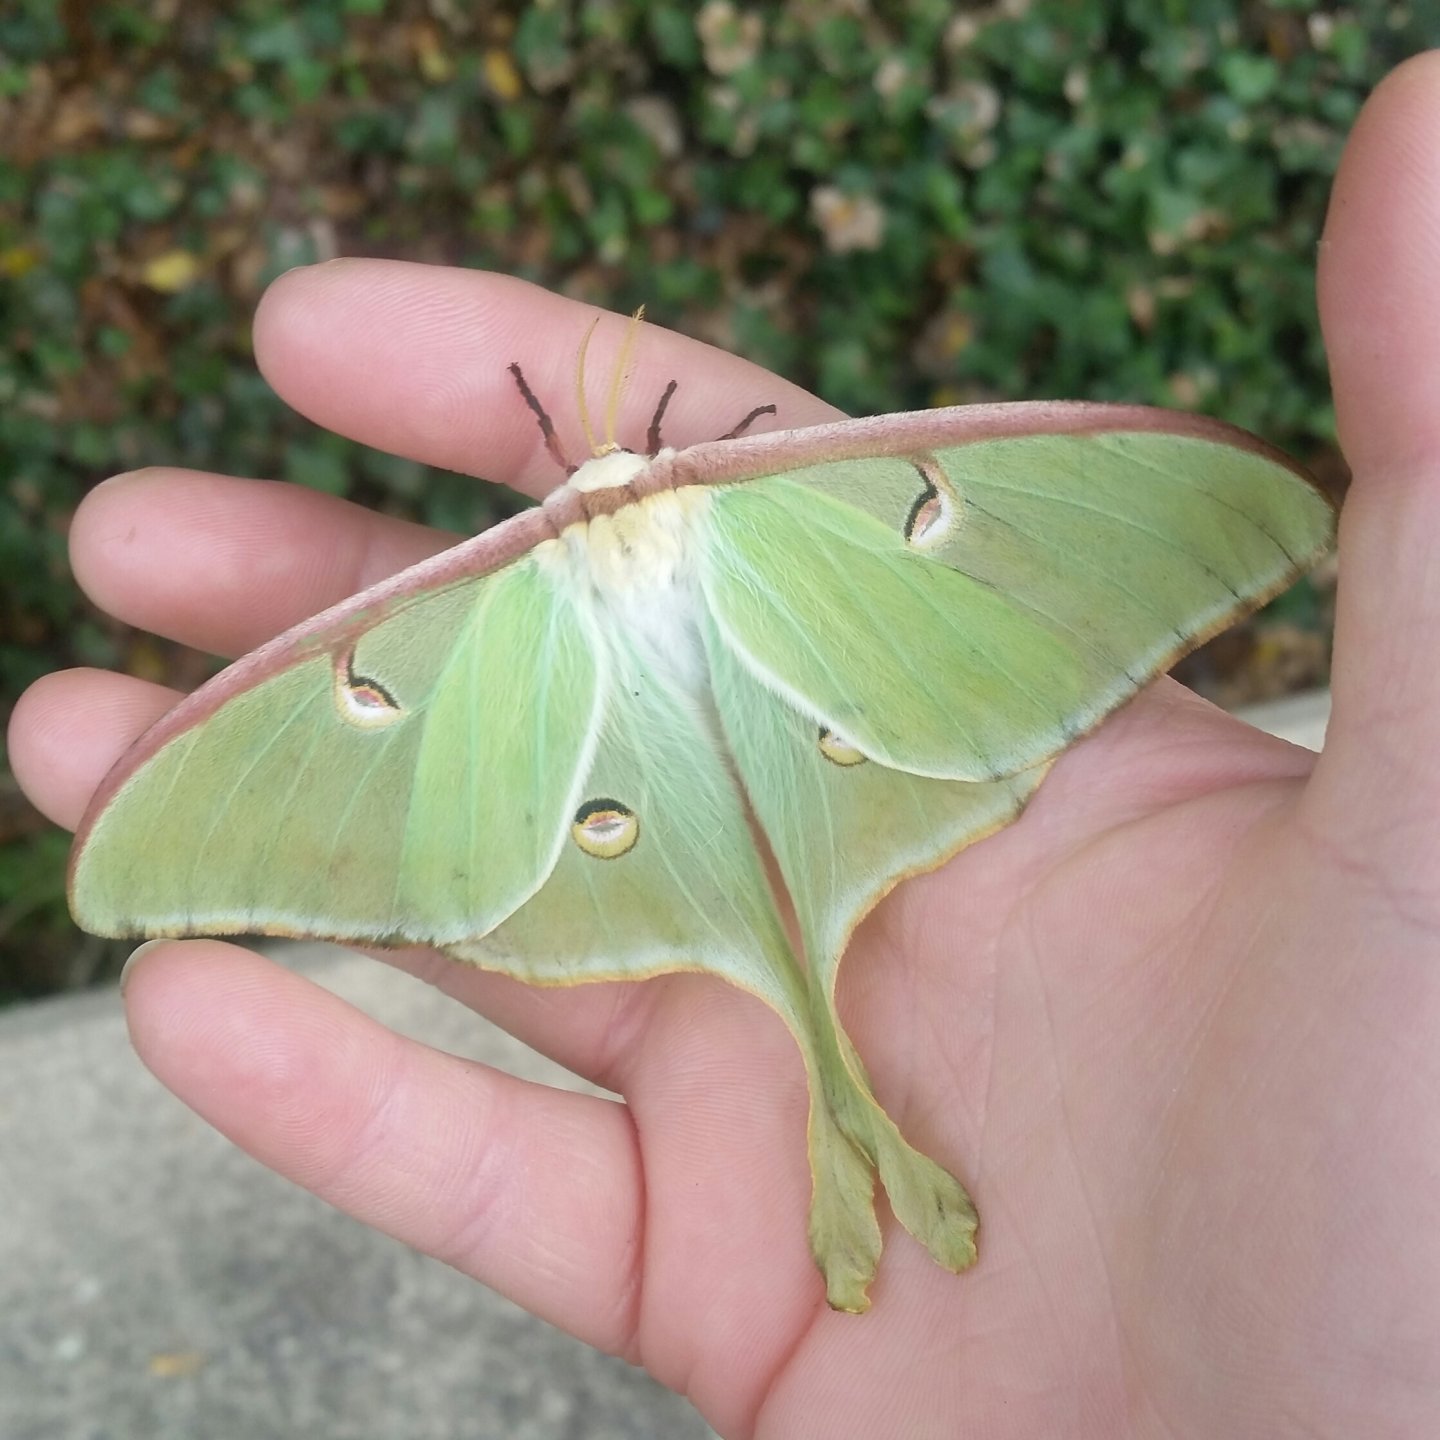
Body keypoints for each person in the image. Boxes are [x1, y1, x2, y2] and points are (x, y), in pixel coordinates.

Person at [10, 51, 1439, 1439]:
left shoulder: (543, 568)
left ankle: (844, 1137)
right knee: (798, 972)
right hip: (704, 782)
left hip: (690, 796)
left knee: (790, 976)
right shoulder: (762, 496)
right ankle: (855, 1136)